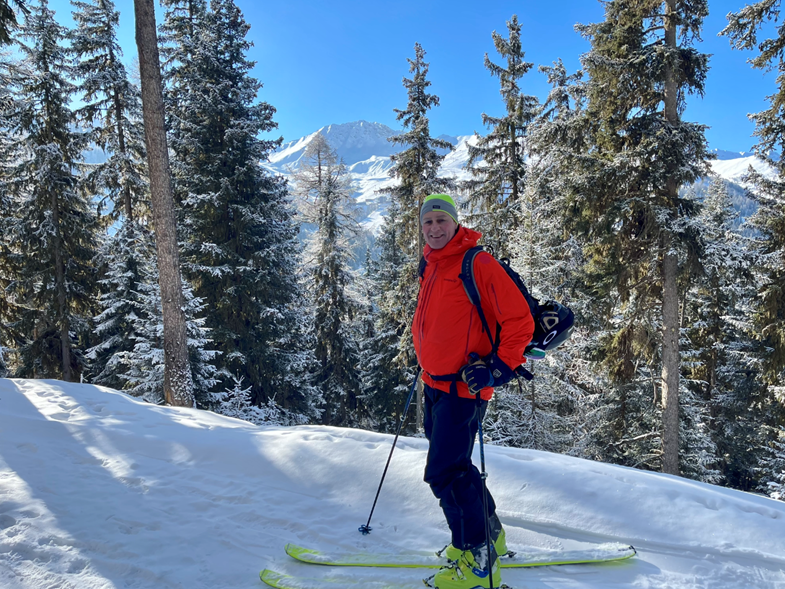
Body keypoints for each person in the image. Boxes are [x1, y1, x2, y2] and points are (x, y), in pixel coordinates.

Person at [412, 194, 535, 589]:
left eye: (440, 220)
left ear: (455, 222)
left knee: (444, 472)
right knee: (456, 467)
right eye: (427, 221)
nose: (434, 228)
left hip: (464, 389)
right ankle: (490, 535)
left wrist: (499, 368)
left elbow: (518, 320)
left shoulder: (476, 262)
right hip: (434, 384)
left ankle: (478, 562)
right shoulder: (432, 263)